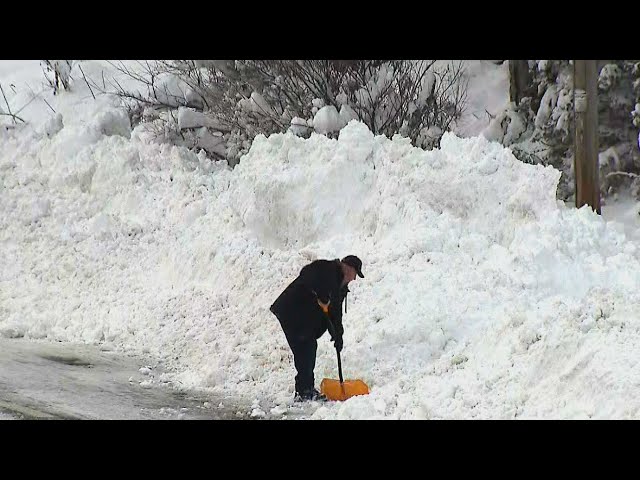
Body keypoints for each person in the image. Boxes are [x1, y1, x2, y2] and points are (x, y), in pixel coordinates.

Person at [270, 255, 364, 401]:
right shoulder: (327, 269)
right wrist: (322, 292)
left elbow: (335, 313)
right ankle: (304, 391)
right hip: (291, 311)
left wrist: (338, 335)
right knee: (305, 347)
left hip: (303, 318)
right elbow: (306, 272)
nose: (354, 279)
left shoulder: (340, 287)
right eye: (354, 274)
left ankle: (305, 389)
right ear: (347, 268)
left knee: (308, 346)